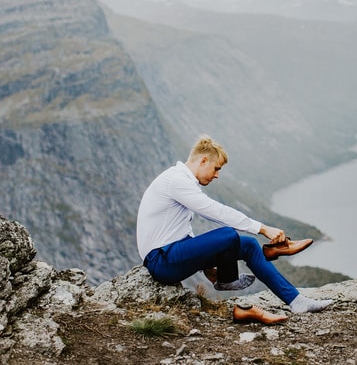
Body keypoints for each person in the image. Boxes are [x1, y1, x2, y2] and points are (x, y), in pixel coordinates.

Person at [136, 134, 334, 320]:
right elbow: (215, 211)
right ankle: (227, 279)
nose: (217, 175)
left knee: (248, 245)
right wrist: (263, 228)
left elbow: (180, 232)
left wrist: (206, 264)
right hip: (160, 261)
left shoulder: (182, 181)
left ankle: (297, 301)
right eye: (216, 168)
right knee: (229, 235)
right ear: (203, 160)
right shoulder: (176, 181)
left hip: (170, 256)